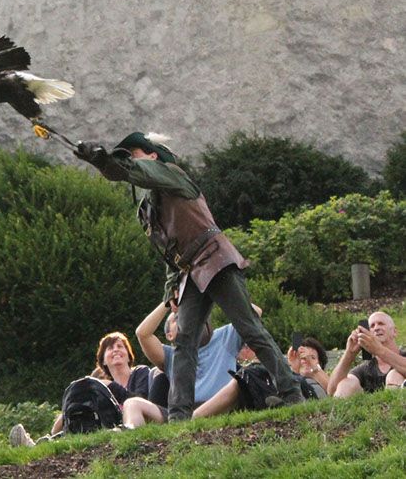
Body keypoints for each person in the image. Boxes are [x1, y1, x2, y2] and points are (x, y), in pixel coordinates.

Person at [75, 132, 303, 420]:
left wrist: (104, 158)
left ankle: (292, 394)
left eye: (135, 153)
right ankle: (179, 416)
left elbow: (136, 170)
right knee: (183, 344)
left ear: (153, 155)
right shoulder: (146, 210)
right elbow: (170, 254)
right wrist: (171, 290)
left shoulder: (172, 174)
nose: (131, 159)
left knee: (250, 329)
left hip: (215, 258)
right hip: (190, 272)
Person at [121, 302, 257, 428]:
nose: (187, 316)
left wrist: (218, 292)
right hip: (180, 414)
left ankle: (190, 423)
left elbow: (255, 312)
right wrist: (169, 301)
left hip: (222, 406)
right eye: (177, 317)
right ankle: (129, 433)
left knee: (239, 382)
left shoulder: (225, 337)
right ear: (170, 336)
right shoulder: (170, 355)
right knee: (131, 403)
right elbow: (142, 334)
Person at [9, 331, 149, 446]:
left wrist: (111, 387)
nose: (116, 350)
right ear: (104, 360)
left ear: (129, 356)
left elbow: (142, 400)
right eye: (110, 348)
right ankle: (35, 445)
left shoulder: (140, 373)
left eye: (120, 346)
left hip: (124, 426)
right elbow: (58, 426)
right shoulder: (98, 388)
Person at [193, 337, 330, 418]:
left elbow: (333, 391)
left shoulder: (319, 379)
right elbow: (292, 387)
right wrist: (293, 367)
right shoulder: (293, 377)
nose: (306, 361)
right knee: (251, 375)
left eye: (312, 357)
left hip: (310, 398)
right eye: (303, 358)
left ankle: (195, 418)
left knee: (250, 376)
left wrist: (315, 368)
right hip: (289, 391)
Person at [327, 311, 406, 397]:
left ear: (394, 331)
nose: (376, 328)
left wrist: (379, 350)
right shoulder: (365, 368)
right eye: (372, 326)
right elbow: (332, 391)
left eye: (381, 324)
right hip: (371, 409)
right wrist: (349, 353)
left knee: (394, 376)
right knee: (345, 384)